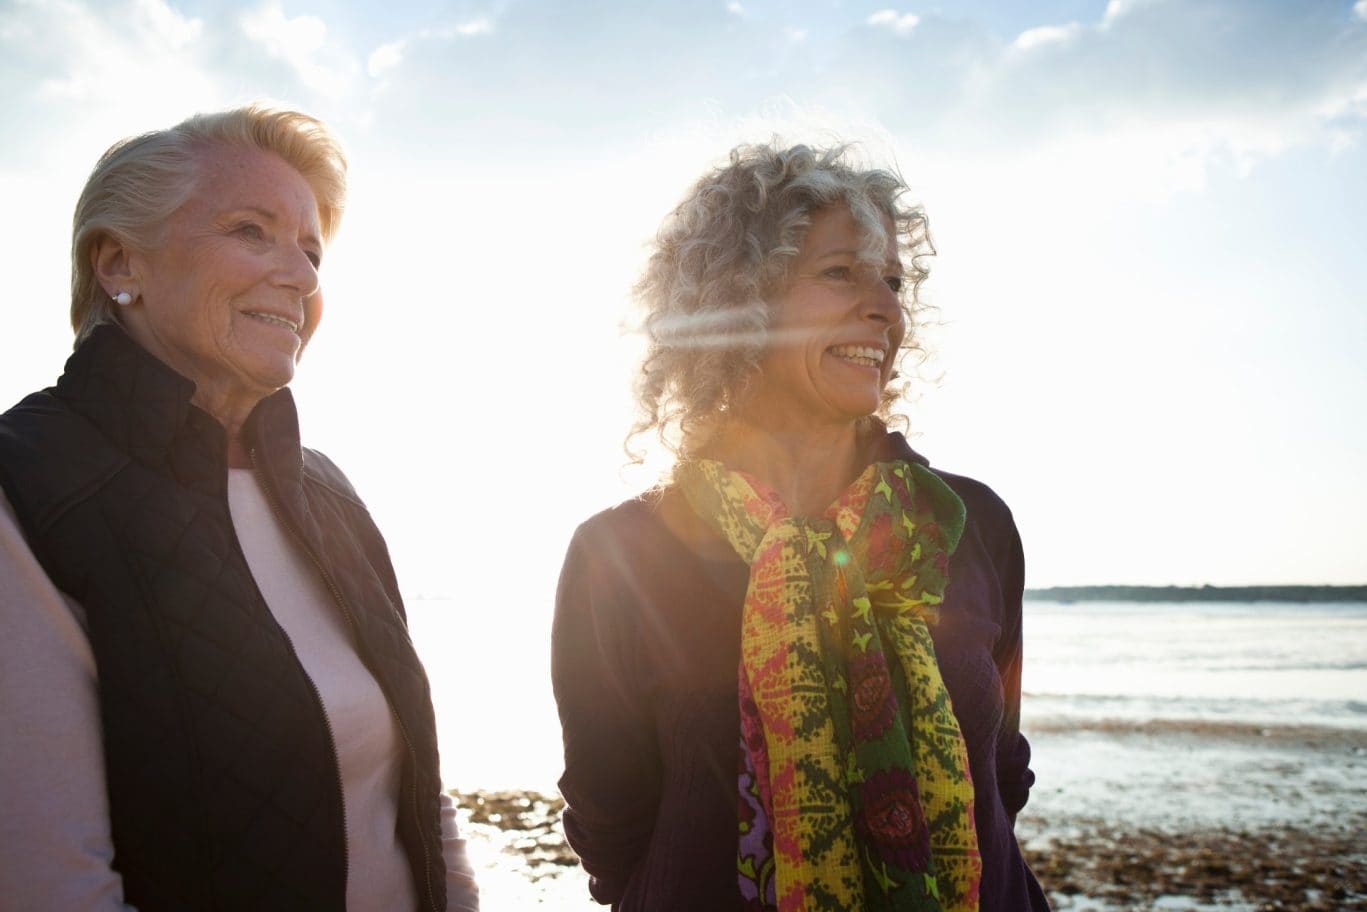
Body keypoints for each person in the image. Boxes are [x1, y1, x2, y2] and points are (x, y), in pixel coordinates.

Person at [0, 105, 478, 912]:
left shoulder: (328, 493)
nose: (299, 276)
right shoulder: (28, 483)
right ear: (119, 261)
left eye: (311, 250)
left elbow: (421, 796)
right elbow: (50, 880)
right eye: (252, 231)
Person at [552, 143, 1050, 911]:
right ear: (741, 299)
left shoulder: (965, 523)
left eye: (892, 280)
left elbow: (1001, 773)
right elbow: (610, 817)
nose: (886, 309)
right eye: (841, 273)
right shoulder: (623, 555)